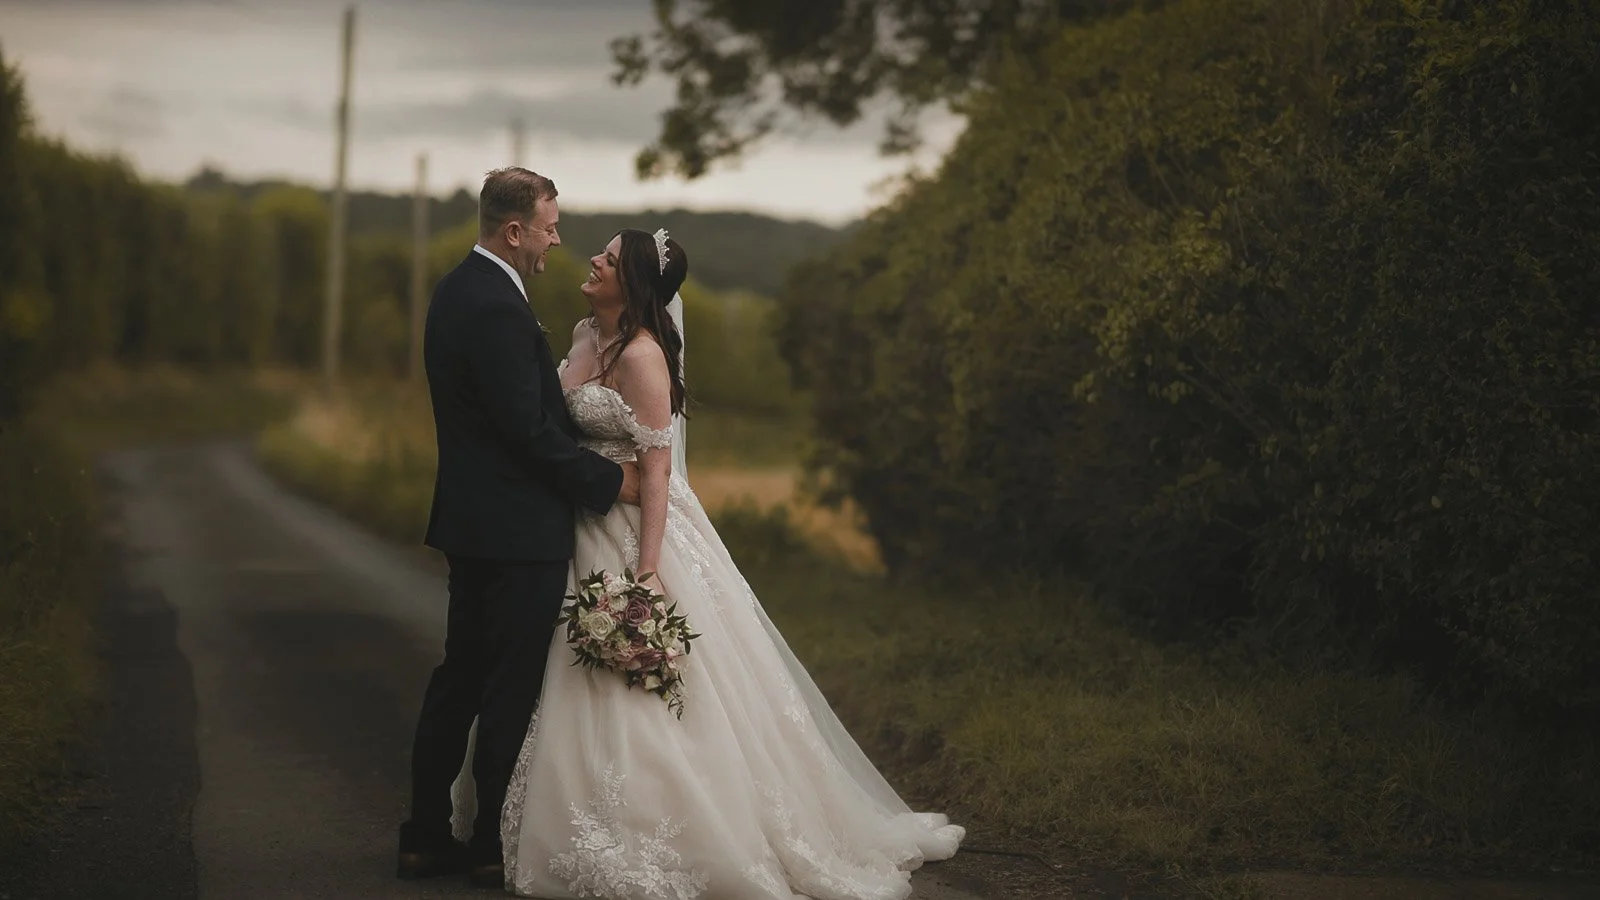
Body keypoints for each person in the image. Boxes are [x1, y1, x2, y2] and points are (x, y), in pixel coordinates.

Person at [452, 227, 965, 898]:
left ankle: (653, 826)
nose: (594, 260)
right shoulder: (582, 336)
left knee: (636, 689)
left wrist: (648, 567)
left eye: (607, 258)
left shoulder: (643, 357)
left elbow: (660, 473)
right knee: (545, 666)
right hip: (573, 523)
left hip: (633, 526)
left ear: (631, 282)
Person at [398, 167, 640, 888]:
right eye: (549, 224)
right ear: (514, 230)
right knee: (509, 687)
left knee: (460, 677)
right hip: (517, 533)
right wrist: (608, 481)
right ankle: (485, 845)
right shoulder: (498, 307)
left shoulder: (455, 291)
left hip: (474, 523)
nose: (556, 239)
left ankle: (423, 834)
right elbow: (527, 432)